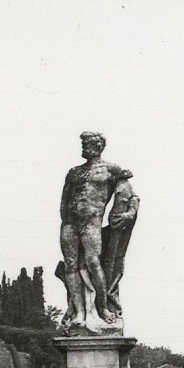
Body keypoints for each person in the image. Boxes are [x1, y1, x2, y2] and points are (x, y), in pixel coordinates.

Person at [57, 132, 140, 329]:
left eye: (87, 144)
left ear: (98, 146)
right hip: (70, 224)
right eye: (83, 144)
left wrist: (129, 213)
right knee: (70, 265)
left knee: (94, 263)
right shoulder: (74, 172)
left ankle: (102, 309)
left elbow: (131, 195)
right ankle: (79, 312)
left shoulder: (112, 169)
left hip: (91, 223)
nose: (83, 147)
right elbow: (64, 200)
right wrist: (66, 219)